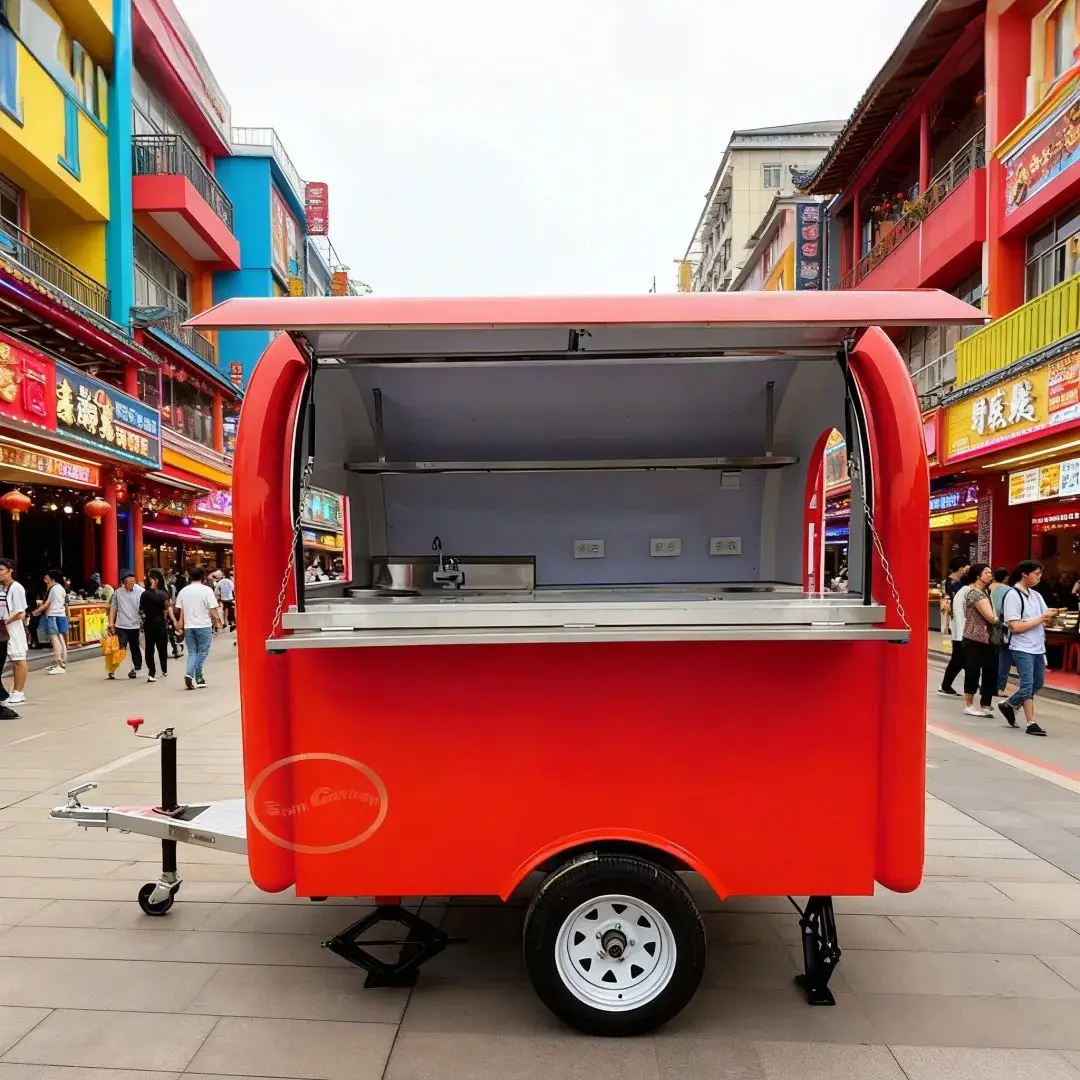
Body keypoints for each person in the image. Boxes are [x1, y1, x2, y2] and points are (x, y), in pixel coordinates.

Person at [999, 560, 1058, 737]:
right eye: (1036, 574)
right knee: (1027, 686)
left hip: (1038, 646)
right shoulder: (1012, 595)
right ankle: (1031, 722)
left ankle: (1008, 704)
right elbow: (1015, 627)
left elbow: (1045, 617)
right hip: (1022, 647)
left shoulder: (1036, 595)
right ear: (1025, 574)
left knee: (1038, 683)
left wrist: (1050, 618)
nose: (1039, 577)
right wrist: (1041, 618)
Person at [961, 564, 1001, 718]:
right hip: (974, 637)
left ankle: (985, 703)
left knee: (990, 670)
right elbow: (991, 617)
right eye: (987, 572)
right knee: (973, 670)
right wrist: (1004, 619)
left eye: (991, 572)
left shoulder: (986, 592)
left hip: (988, 638)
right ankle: (969, 705)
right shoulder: (975, 594)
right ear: (978, 575)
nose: (990, 575)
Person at [174, 566, 220, 690]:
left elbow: (180, 610)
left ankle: (199, 678)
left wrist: (180, 625)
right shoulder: (206, 590)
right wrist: (218, 623)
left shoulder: (183, 591)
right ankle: (190, 673)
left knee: (193, 653)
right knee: (203, 652)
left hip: (189, 626)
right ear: (203, 577)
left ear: (189, 576)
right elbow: (213, 609)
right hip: (203, 625)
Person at [939, 556, 972, 696]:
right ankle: (968, 685)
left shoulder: (947, 582)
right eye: (967, 569)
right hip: (958, 624)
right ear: (961, 569)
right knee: (960, 657)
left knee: (959, 657)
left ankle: (947, 685)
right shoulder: (955, 585)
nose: (967, 572)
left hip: (955, 624)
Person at [0, 558, 29, 706]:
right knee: (11, 659)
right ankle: (12, 690)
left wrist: (6, 621)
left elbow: (20, 612)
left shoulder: (16, 588)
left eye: (1, 570)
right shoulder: (2, 588)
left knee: (18, 658)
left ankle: (19, 691)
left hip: (13, 627)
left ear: (10, 571)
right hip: (3, 628)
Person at [108, 571, 144, 680]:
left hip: (136, 625)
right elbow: (113, 608)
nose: (131, 583)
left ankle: (136, 668)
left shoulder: (141, 592)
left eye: (132, 580)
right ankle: (112, 669)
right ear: (123, 582)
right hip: (121, 625)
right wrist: (111, 623)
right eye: (128, 581)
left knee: (135, 648)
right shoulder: (117, 593)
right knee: (120, 648)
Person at [140, 569, 174, 683]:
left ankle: (151, 672)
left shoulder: (144, 594)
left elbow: (141, 609)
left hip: (149, 623)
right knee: (162, 647)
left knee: (149, 649)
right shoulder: (164, 594)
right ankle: (164, 670)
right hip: (160, 623)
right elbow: (166, 609)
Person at [33, 569, 68, 675]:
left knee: (55, 639)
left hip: (54, 615)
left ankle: (59, 664)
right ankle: (61, 662)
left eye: (46, 577)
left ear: (53, 578)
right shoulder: (59, 588)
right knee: (59, 638)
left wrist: (36, 612)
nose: (45, 578)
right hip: (59, 615)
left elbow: (47, 603)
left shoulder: (54, 588)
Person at [989, 567, 1013, 695]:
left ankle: (987, 683)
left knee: (991, 655)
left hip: (991, 625)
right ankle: (999, 687)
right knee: (1004, 656)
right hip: (1004, 626)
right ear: (1005, 578)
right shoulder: (1008, 590)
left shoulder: (987, 588)